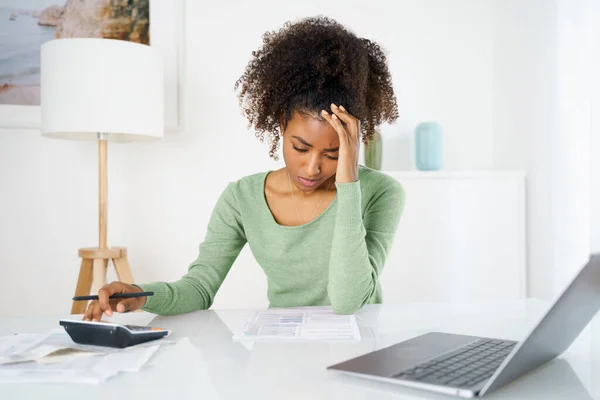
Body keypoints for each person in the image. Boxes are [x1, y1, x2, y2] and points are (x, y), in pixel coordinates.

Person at [83, 16, 406, 321]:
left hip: (358, 352)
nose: (312, 167)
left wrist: (348, 182)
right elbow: (198, 288)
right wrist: (143, 294)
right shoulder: (242, 198)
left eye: (333, 154)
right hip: (282, 351)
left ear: (352, 141)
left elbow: (348, 302)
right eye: (300, 147)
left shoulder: (382, 193)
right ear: (281, 125)